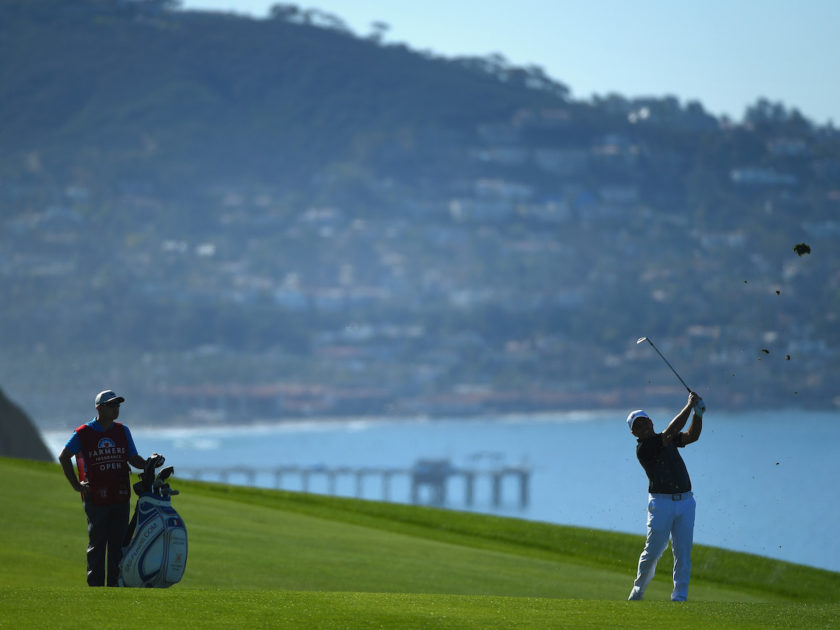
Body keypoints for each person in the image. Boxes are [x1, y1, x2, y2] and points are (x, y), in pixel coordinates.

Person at [58, 390, 151, 587]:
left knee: (118, 546)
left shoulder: (122, 431)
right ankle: (96, 589)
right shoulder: (83, 433)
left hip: (120, 495)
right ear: (99, 408)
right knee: (98, 545)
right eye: (111, 405)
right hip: (96, 498)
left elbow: (132, 458)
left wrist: (148, 464)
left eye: (117, 405)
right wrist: (76, 485)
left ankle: (115, 587)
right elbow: (64, 456)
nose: (116, 408)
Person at [626, 391, 704, 602]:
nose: (642, 427)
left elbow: (691, 436)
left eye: (644, 422)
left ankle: (679, 597)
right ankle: (638, 591)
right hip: (661, 504)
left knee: (683, 552)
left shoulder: (664, 438)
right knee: (653, 551)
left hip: (686, 501)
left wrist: (698, 414)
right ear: (635, 434)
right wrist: (689, 406)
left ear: (650, 422)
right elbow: (670, 433)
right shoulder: (644, 448)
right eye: (637, 426)